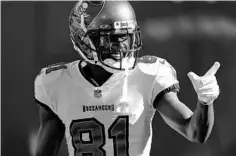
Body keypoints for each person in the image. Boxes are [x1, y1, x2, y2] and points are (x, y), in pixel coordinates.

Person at [34, 0, 220, 156]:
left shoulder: (147, 74)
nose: (121, 46)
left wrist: (205, 101)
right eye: (110, 38)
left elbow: (195, 133)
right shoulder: (57, 82)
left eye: (125, 37)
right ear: (82, 39)